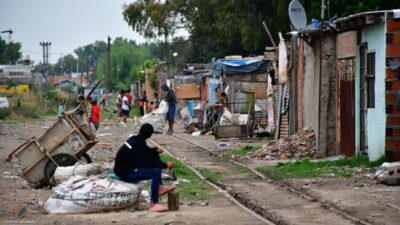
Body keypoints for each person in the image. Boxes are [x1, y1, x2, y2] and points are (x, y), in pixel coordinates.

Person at [113, 123, 176, 212]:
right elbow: (148, 162)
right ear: (150, 135)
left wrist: (155, 150)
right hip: (125, 173)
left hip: (128, 167)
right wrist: (166, 165)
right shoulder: (139, 143)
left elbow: (146, 152)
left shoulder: (135, 139)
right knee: (155, 171)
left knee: (155, 160)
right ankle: (154, 203)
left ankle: (159, 187)